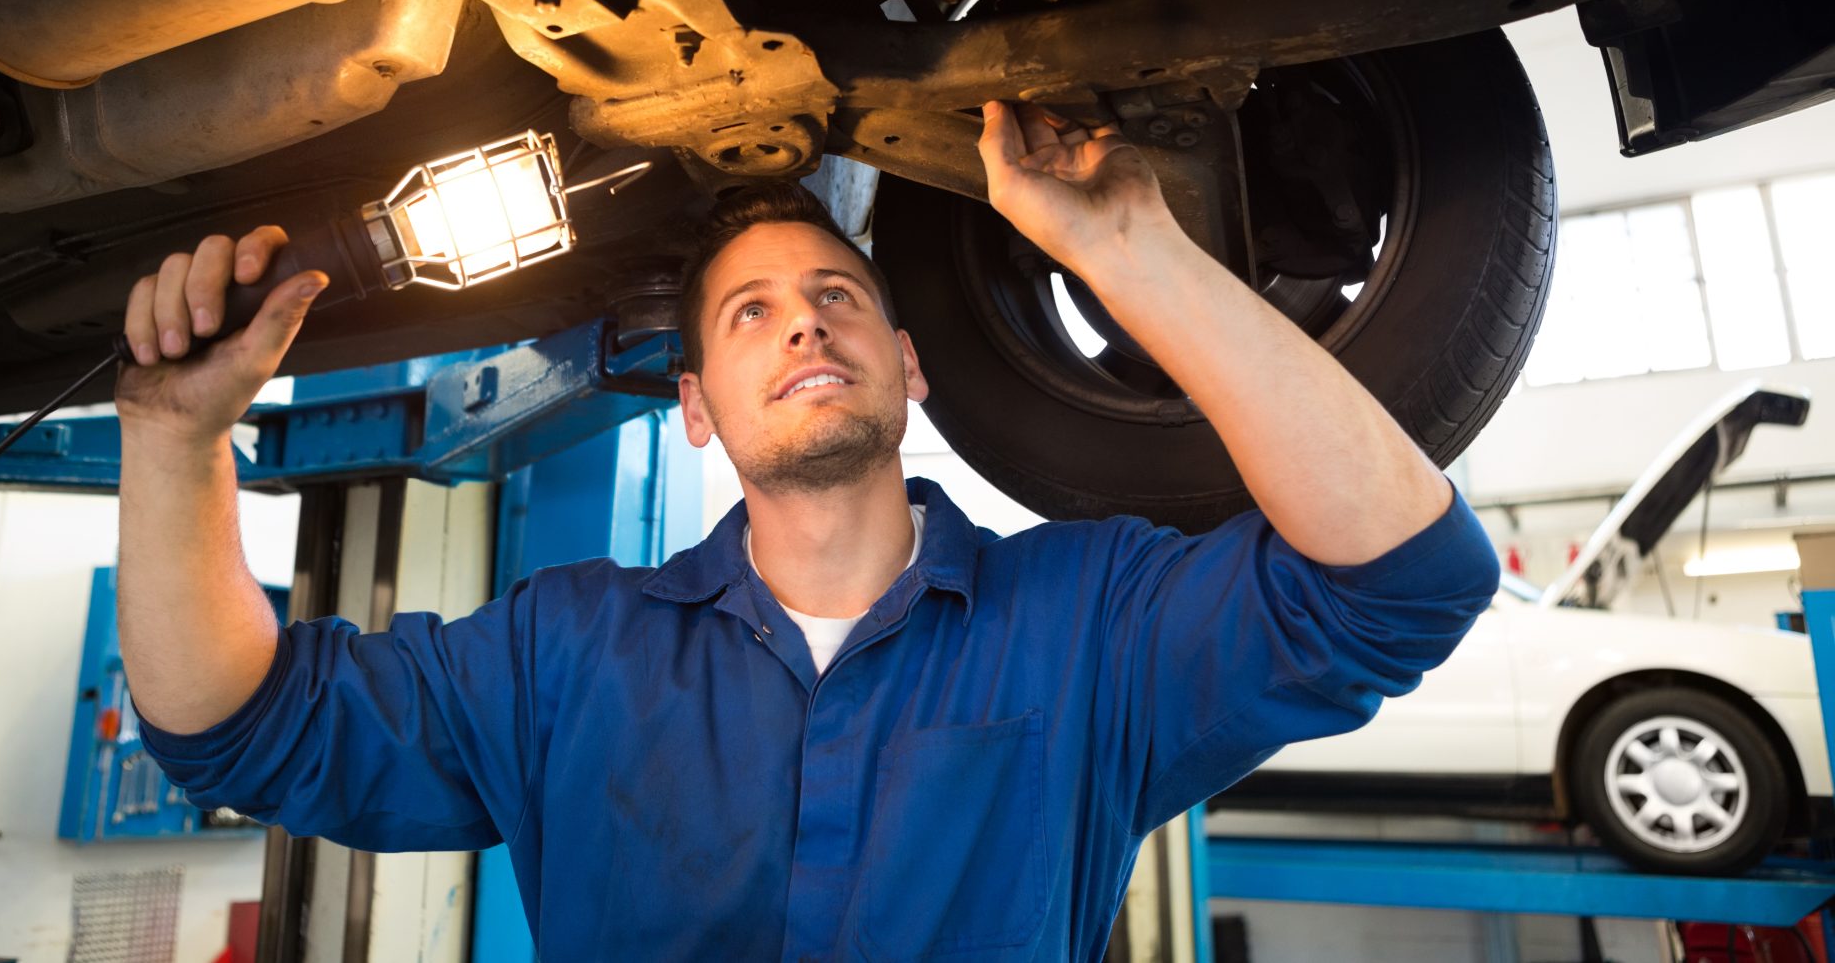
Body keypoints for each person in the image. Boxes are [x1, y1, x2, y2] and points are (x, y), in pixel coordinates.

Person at [117, 100, 1498, 958]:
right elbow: (236, 726)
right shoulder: (566, 653)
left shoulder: (1090, 621)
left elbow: (1405, 582)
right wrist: (173, 441)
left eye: (836, 296)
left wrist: (1131, 248)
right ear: (699, 411)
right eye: (749, 313)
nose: (801, 320)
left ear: (912, 364)